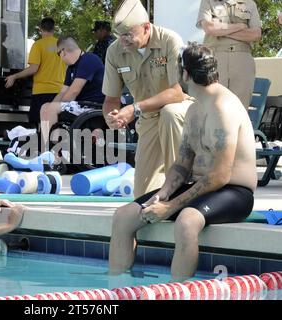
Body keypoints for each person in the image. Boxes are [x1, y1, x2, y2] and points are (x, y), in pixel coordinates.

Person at [109, 43, 256, 282]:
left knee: (187, 222)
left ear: (185, 74)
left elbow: (220, 175)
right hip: (202, 189)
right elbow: (182, 163)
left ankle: (177, 291)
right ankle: (116, 290)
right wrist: (164, 194)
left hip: (234, 192)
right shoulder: (194, 110)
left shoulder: (223, 108)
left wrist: (171, 206)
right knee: (123, 216)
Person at [103, 0, 193, 198]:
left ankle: (180, 184)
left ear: (146, 27)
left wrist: (134, 109)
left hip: (181, 110)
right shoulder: (114, 51)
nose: (123, 41)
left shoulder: (170, 40)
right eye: (119, 35)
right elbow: (111, 99)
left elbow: (177, 92)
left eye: (128, 35)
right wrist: (112, 117)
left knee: (170, 113)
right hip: (149, 118)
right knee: (141, 197)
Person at [40, 36, 105, 149]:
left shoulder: (89, 59)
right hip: (80, 105)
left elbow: (73, 92)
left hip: (94, 105)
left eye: (58, 54)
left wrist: (55, 108)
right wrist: (52, 106)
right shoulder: (71, 68)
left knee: (51, 109)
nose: (60, 59)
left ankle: (51, 149)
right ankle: (45, 147)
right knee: (45, 107)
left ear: (63, 52)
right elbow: (62, 93)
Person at [197, 0, 262, 109]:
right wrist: (240, 26)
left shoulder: (250, 4)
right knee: (212, 107)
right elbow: (209, 28)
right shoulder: (208, 2)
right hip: (215, 60)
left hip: (242, 60)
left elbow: (256, 34)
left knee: (240, 108)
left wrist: (222, 31)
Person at [5, 17, 66, 126]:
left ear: (40, 29)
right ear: (53, 29)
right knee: (56, 125)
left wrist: (14, 76)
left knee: (41, 125)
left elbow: (33, 68)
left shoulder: (38, 45)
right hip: (59, 92)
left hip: (42, 92)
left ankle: (43, 143)